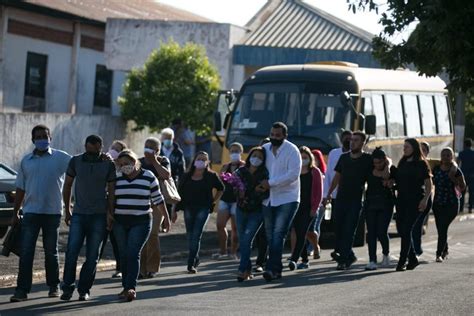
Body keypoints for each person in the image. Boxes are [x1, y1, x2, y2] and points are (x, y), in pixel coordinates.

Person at [10, 125, 71, 302]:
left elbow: (78, 166)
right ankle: (22, 291)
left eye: (45, 136)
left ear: (50, 138)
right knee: (26, 252)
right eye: (38, 137)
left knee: (51, 252)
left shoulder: (61, 157)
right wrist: (15, 213)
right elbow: (20, 188)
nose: (42, 139)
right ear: (33, 140)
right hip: (30, 213)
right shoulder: (26, 161)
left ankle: (54, 286)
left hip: (52, 213)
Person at [61, 135, 116, 301]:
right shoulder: (75, 161)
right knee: (71, 253)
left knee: (93, 256)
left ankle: (84, 289)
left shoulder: (108, 163)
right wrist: (67, 209)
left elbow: (112, 190)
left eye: (95, 151)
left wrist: (110, 213)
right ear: (85, 146)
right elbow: (68, 184)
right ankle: (67, 288)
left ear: (101, 148)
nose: (92, 154)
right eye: (89, 150)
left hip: (99, 216)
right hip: (78, 214)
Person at [112, 150, 170, 302]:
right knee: (123, 254)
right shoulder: (116, 178)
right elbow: (109, 198)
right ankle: (125, 287)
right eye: (122, 164)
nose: (125, 167)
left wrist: (166, 219)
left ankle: (131, 287)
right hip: (120, 221)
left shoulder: (148, 176)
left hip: (141, 221)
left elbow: (158, 199)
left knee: (133, 253)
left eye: (128, 163)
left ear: (135, 162)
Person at [258, 122, 301, 281]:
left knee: (278, 233)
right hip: (268, 199)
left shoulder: (292, 150)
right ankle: (276, 268)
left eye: (278, 135)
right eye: (272, 134)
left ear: (285, 136)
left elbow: (293, 175)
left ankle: (272, 269)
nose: (274, 137)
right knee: (270, 235)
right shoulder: (265, 149)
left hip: (287, 197)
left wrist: (271, 183)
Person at [325, 131, 372, 270]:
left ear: (363, 143)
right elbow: (336, 177)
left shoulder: (367, 159)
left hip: (356, 201)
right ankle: (349, 255)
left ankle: (344, 260)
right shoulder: (343, 158)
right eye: (351, 140)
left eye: (356, 140)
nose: (352, 142)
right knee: (338, 229)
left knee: (349, 230)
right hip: (340, 199)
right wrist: (328, 194)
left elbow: (381, 165)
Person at [174, 151, 224, 273]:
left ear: (207, 162)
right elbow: (178, 193)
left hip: (203, 208)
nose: (201, 161)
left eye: (204, 159)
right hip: (188, 208)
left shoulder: (211, 176)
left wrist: (213, 201)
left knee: (196, 235)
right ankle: (195, 258)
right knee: (190, 235)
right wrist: (174, 210)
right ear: (194, 160)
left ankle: (190, 264)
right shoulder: (186, 176)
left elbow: (221, 188)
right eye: (199, 159)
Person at [394, 138, 432, 272]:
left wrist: (425, 200)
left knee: (406, 229)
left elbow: (428, 184)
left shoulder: (421, 164)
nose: (404, 149)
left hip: (416, 201)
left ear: (414, 148)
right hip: (402, 201)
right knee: (401, 229)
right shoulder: (403, 162)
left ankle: (402, 261)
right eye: (404, 147)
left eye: (407, 147)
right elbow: (398, 180)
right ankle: (413, 259)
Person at [234, 147, 269, 281]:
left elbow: (265, 192)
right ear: (249, 157)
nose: (256, 159)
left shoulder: (264, 174)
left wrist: (255, 191)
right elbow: (233, 188)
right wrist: (239, 191)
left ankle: (242, 270)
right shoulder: (240, 172)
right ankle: (247, 270)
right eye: (254, 155)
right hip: (241, 209)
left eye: (260, 157)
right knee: (243, 239)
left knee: (247, 239)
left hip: (256, 211)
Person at [138, 138, 172, 279]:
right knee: (141, 235)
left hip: (158, 202)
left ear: (157, 150)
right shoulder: (138, 161)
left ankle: (152, 267)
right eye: (146, 146)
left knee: (152, 234)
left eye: (151, 147)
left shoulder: (163, 161)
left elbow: (166, 175)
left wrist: (154, 161)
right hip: (141, 202)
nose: (148, 149)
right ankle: (141, 268)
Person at [288, 147, 323, 270]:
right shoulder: (294, 171)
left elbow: (319, 192)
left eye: (305, 157)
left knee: (302, 232)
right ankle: (305, 259)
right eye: (301, 157)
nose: (303, 160)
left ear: (310, 158)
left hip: (309, 208)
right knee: (298, 233)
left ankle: (293, 259)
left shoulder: (315, 172)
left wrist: (315, 208)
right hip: (295, 207)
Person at [364, 147, 396, 270]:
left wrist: (392, 181)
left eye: (380, 162)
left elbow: (395, 179)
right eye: (375, 162)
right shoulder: (369, 169)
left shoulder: (391, 169)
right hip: (371, 202)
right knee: (371, 232)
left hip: (386, 203)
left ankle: (386, 254)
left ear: (384, 160)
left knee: (381, 231)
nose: (377, 165)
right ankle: (372, 260)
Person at [323, 130, 352, 261]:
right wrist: (327, 193)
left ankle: (344, 251)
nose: (348, 141)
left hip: (351, 195)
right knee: (337, 224)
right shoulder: (334, 154)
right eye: (345, 139)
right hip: (336, 195)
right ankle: (338, 249)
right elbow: (329, 174)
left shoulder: (356, 155)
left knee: (348, 225)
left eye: (350, 139)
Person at [432, 147, 466, 262]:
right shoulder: (436, 169)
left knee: (443, 228)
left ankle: (438, 254)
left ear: (452, 157)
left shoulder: (455, 170)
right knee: (441, 229)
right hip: (438, 203)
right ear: (440, 157)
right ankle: (445, 250)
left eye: (448, 155)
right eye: (443, 155)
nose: (446, 157)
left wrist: (453, 179)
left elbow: (463, 187)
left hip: (451, 204)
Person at [214, 142, 245, 260]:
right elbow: (220, 182)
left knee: (235, 227)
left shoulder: (244, 166)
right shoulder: (225, 166)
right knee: (220, 225)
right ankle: (222, 251)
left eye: (237, 151)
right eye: (232, 151)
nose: (234, 154)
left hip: (237, 201)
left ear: (241, 153)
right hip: (225, 199)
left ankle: (233, 253)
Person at [101, 140, 127, 279]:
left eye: (117, 149)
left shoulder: (123, 168)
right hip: (103, 205)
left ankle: (120, 267)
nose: (113, 151)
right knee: (101, 237)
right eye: (112, 148)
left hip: (118, 206)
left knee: (117, 239)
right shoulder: (105, 164)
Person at [412, 141, 433, 258]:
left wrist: (426, 199)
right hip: (410, 198)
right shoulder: (408, 162)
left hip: (424, 198)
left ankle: (416, 250)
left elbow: (429, 185)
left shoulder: (427, 164)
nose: (421, 151)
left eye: (424, 149)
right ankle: (413, 250)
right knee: (410, 226)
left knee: (417, 225)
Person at [253, 137, 271, 272]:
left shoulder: (273, 166)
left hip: (268, 201)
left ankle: (261, 261)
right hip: (253, 203)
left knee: (265, 232)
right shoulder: (254, 165)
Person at [307, 149, 327, 259]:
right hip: (307, 203)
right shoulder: (307, 172)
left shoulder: (320, 173)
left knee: (315, 226)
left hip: (319, 204)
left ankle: (312, 247)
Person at [458, 138, 474, 213]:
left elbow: (457, 164)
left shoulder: (461, 153)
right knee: (471, 192)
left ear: (465, 144)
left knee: (462, 192)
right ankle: (470, 208)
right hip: (472, 175)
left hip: (463, 175)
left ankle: (461, 208)